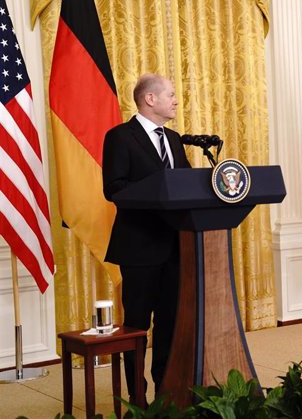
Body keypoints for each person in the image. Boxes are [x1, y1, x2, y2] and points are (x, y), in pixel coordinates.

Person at [102, 74, 191, 401]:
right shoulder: (120, 137)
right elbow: (114, 188)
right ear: (150, 99)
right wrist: (157, 194)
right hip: (139, 248)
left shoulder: (176, 139)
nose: (176, 100)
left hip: (176, 248)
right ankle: (137, 397)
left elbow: (186, 186)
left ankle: (166, 394)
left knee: (170, 325)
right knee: (137, 326)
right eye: (171, 94)